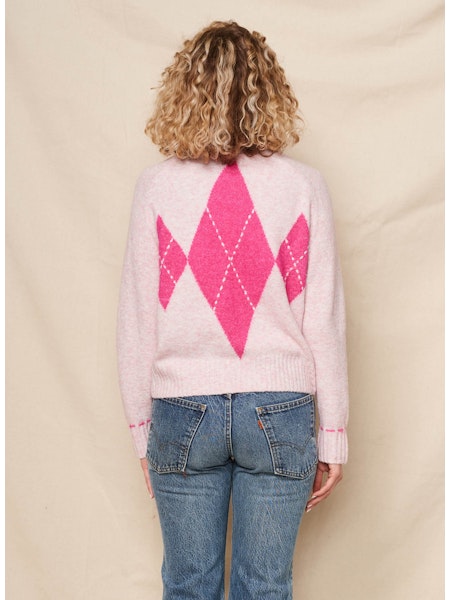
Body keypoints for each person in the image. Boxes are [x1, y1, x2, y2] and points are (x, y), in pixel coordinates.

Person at [116, 20, 349, 600]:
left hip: (182, 408)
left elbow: (138, 319)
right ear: (269, 91)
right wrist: (334, 436)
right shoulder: (304, 185)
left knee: (188, 586)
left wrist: (142, 432)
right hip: (280, 409)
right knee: (265, 587)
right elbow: (322, 319)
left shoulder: (155, 187)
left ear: (182, 91)